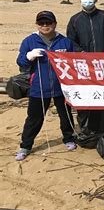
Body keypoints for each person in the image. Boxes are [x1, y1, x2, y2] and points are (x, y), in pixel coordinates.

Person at [15, 11, 76, 161]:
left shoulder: (64, 42)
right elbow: (21, 62)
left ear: (54, 24)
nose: (45, 26)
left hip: (61, 87)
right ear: (37, 25)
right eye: (41, 23)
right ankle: (25, 146)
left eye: (48, 23)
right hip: (38, 87)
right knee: (34, 118)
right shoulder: (30, 41)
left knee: (66, 115)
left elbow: (75, 61)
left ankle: (69, 138)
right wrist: (29, 56)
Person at [66, 0, 104, 134]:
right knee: (86, 98)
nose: (88, 0)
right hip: (84, 67)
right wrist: (81, 53)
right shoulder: (75, 20)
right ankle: (86, 128)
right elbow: (71, 42)